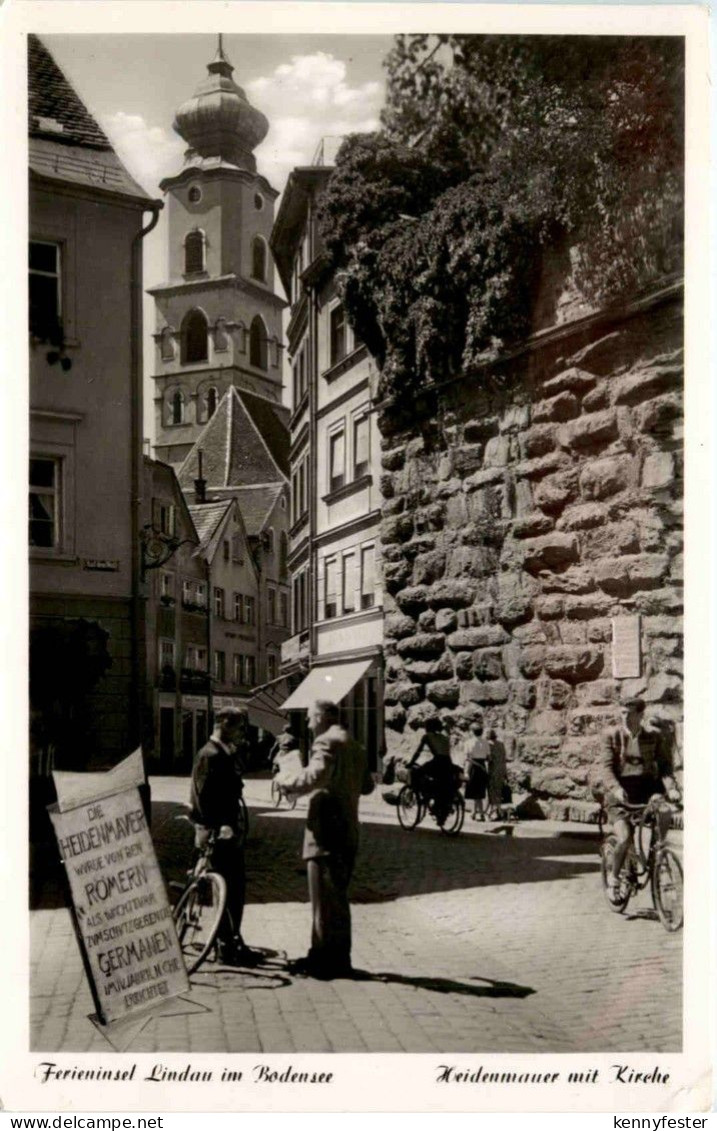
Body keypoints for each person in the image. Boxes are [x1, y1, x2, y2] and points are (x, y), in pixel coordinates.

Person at [276, 699, 373, 979]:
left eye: (310, 718)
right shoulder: (355, 745)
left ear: (321, 717)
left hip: (325, 831)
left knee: (323, 900)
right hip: (348, 829)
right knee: (337, 898)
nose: (308, 724)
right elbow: (367, 786)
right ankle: (334, 957)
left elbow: (315, 777)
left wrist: (286, 780)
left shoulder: (326, 742)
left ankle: (324, 961)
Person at [189, 706, 260, 966]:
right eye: (239, 728)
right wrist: (219, 827)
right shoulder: (210, 754)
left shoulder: (223, 752)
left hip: (225, 832)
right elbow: (203, 796)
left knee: (233, 888)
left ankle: (231, 941)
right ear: (225, 725)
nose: (242, 734)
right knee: (228, 888)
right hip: (218, 834)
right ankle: (225, 946)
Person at [596, 697, 681, 900]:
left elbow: (665, 767)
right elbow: (606, 769)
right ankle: (614, 878)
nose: (625, 717)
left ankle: (659, 852)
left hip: (646, 786)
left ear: (641, 715)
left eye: (631, 713)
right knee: (624, 838)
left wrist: (671, 789)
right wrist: (616, 789)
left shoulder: (654, 736)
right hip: (620, 791)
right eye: (623, 713)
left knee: (664, 809)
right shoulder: (611, 736)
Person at [407, 716, 458, 824]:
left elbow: (418, 752)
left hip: (438, 761)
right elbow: (447, 753)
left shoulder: (427, 736)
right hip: (448, 763)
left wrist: (411, 762)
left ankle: (425, 795)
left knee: (417, 772)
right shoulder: (445, 737)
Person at [463, 719, 490, 821]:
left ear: (472, 732)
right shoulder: (486, 742)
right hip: (482, 766)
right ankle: (474, 812)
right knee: (479, 791)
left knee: (475, 792)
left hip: (472, 766)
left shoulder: (468, 743)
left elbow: (467, 758)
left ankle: (481, 813)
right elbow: (488, 757)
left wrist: (466, 771)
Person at [486, 728, 508, 819]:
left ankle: (494, 812)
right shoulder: (501, 744)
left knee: (492, 792)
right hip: (501, 770)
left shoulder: (488, 745)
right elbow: (504, 758)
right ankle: (499, 811)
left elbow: (489, 759)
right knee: (499, 791)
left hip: (492, 770)